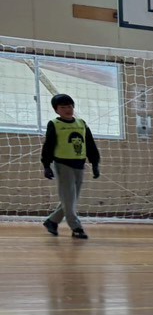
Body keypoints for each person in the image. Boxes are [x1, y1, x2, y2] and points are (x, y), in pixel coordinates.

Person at [40, 93, 100, 239]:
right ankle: (76, 227)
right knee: (69, 198)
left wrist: (95, 164)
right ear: (56, 110)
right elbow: (48, 145)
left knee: (70, 199)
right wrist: (46, 165)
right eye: (63, 107)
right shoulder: (54, 124)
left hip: (79, 164)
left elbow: (90, 145)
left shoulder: (81, 123)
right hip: (62, 164)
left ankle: (52, 221)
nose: (67, 109)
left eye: (69, 106)